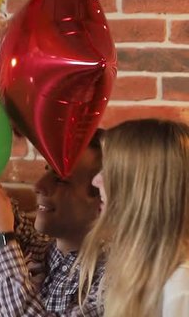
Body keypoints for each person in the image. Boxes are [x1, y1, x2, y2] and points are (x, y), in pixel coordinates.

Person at [0, 129, 105, 316]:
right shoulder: (41, 250)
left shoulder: (114, 279)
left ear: (104, 199)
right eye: (47, 171)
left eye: (61, 180)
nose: (38, 186)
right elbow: (3, 212)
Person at [78, 119, 189, 317]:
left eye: (110, 170)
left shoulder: (180, 287)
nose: (96, 181)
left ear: (141, 188)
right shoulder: (137, 266)